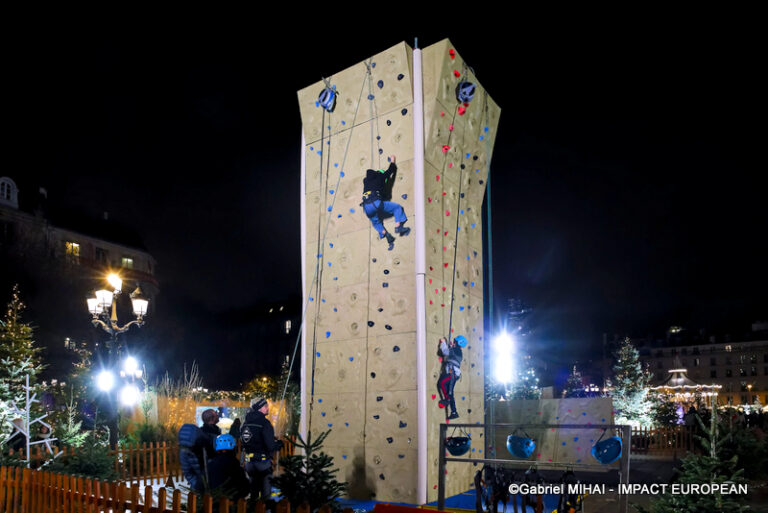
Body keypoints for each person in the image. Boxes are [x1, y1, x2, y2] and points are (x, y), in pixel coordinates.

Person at [361, 155, 410, 251]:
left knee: (375, 222)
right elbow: (390, 171)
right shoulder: (381, 176)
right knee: (397, 208)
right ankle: (398, 227)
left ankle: (386, 234)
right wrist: (392, 161)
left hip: (366, 207)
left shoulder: (366, 181)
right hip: (376, 201)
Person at [241, 398, 283, 508]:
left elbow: (246, 440)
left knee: (253, 491)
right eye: (265, 406)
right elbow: (270, 446)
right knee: (265, 494)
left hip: (250, 463)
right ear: (260, 408)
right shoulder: (265, 423)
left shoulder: (245, 424)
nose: (267, 408)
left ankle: (253, 509)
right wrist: (278, 444)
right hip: (263, 463)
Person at [206, 434, 250, 499]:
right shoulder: (234, 463)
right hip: (231, 503)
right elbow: (244, 488)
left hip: (211, 503)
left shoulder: (210, 463)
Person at [437, 335, 467, 419]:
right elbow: (451, 354)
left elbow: (445, 352)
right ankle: (454, 412)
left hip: (452, 373)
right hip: (453, 374)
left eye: (454, 342)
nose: (453, 343)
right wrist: (450, 346)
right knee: (450, 392)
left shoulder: (456, 350)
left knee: (442, 383)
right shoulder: (458, 351)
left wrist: (443, 342)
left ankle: (447, 400)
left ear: (457, 343)